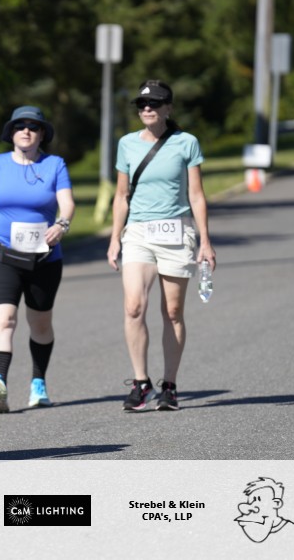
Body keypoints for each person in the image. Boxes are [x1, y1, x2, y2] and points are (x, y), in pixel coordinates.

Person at [107, 80, 215, 412]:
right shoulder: (127, 144)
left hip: (176, 232)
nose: (147, 109)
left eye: (154, 103)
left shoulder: (186, 142)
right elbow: (121, 196)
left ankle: (169, 385)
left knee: (172, 312)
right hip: (138, 233)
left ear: (168, 107)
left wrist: (205, 241)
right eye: (142, 104)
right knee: (133, 307)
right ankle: (141, 384)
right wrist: (114, 238)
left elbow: (196, 194)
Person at [0, 105, 75, 413]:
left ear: (42, 134)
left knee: (40, 323)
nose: (26, 131)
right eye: (19, 126)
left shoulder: (54, 164)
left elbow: (67, 204)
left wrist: (61, 225)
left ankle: (38, 383)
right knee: (4, 320)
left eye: (33, 126)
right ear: (11, 133)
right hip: (0, 255)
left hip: (44, 258)